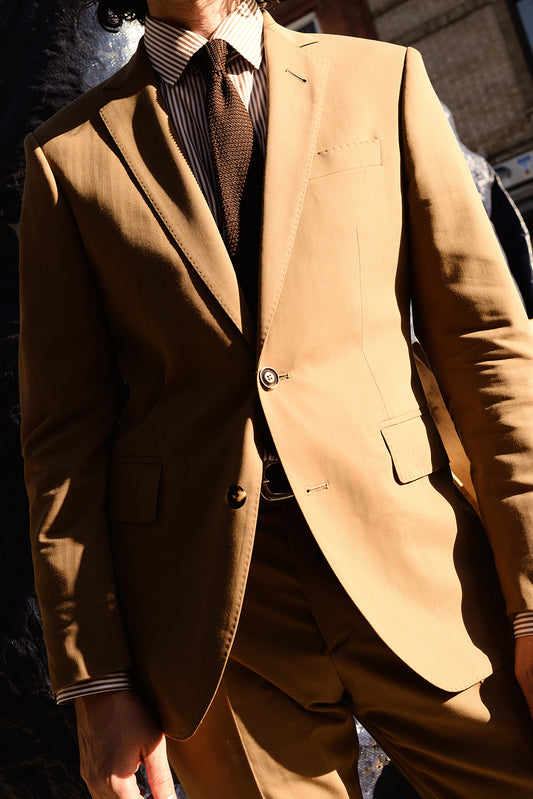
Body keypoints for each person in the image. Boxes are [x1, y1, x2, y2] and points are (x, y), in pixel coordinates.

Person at [18, 0, 533, 796]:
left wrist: (531, 594)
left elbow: (487, 348)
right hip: (217, 633)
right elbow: (63, 443)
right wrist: (95, 680)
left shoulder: (382, 82)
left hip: (422, 581)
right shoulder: (68, 157)